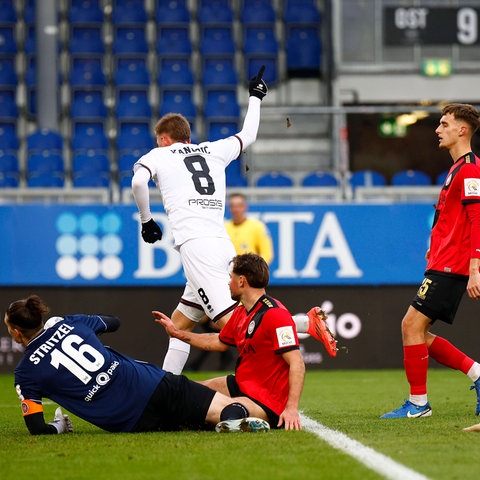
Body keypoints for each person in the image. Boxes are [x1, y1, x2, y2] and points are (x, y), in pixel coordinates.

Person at [131, 67, 269, 375]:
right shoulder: (212, 150)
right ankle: (167, 386)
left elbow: (139, 183)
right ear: (188, 138)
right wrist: (256, 97)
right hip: (221, 243)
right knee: (180, 322)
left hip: (196, 247)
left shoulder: (158, 154)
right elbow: (249, 136)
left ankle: (301, 325)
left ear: (164, 139)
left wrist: (146, 220)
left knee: (234, 325)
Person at [4, 295, 270, 435]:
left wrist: (60, 426)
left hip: (132, 421)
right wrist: (72, 321)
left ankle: (225, 411)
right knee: (222, 407)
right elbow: (114, 322)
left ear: (16, 332)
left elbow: (37, 428)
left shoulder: (26, 373)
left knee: (191, 415)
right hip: (149, 384)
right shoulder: (71, 323)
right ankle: (267, 415)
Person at [381, 103, 480, 419]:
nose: (438, 129)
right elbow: (451, 219)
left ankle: (419, 403)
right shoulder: (456, 168)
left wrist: (476, 267)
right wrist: (434, 245)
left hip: (453, 265)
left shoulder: (469, 170)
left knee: (410, 325)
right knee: (418, 333)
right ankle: (477, 374)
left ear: (461, 130)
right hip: (442, 260)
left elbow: (477, 219)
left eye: (444, 124)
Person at [154, 253, 306, 431]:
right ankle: (206, 419)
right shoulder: (242, 312)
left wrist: (291, 409)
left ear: (241, 281)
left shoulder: (276, 314)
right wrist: (177, 333)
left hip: (266, 400)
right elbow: (218, 341)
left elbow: (297, 362)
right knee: (186, 393)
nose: (228, 283)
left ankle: (236, 419)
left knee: (230, 411)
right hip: (241, 384)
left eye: (230, 278)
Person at [225, 192, 274, 264]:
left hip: (250, 272)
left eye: (239, 206)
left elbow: (267, 254)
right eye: (233, 206)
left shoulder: (257, 226)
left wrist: (253, 269)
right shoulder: (224, 228)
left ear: (245, 207)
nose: (236, 209)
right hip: (229, 272)